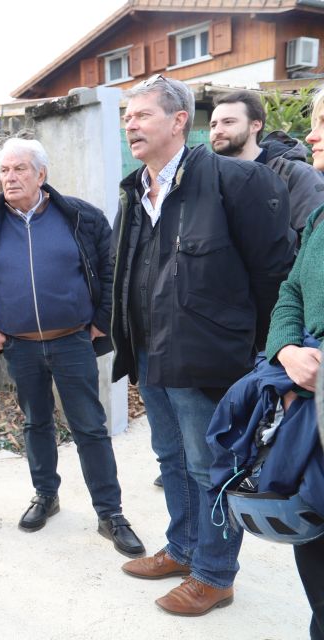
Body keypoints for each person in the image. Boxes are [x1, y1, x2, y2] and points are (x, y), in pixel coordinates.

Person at [112, 75, 295, 616]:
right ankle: (183, 546)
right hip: (152, 351)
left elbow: (272, 277)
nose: (130, 123)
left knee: (209, 464)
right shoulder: (135, 189)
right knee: (169, 457)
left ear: (177, 122)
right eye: (127, 116)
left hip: (209, 355)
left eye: (142, 114)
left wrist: (258, 357)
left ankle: (215, 575)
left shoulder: (236, 181)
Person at [0, 137, 144, 558]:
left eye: (19, 169)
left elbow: (111, 269)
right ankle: (46, 495)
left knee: (90, 428)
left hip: (73, 341)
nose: (10, 177)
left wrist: (101, 322)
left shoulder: (79, 216)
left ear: (41, 174)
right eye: (3, 170)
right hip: (20, 347)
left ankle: (110, 513)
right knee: (35, 423)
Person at [262, 88, 324, 640]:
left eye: (323, 122)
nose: (309, 135)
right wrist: (286, 351)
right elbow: (290, 292)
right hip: (313, 404)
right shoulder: (322, 216)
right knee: (315, 548)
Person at [210, 89, 324, 236]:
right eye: (213, 125)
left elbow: (312, 244)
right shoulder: (209, 179)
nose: (218, 130)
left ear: (255, 125)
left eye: (228, 122)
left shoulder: (293, 175)